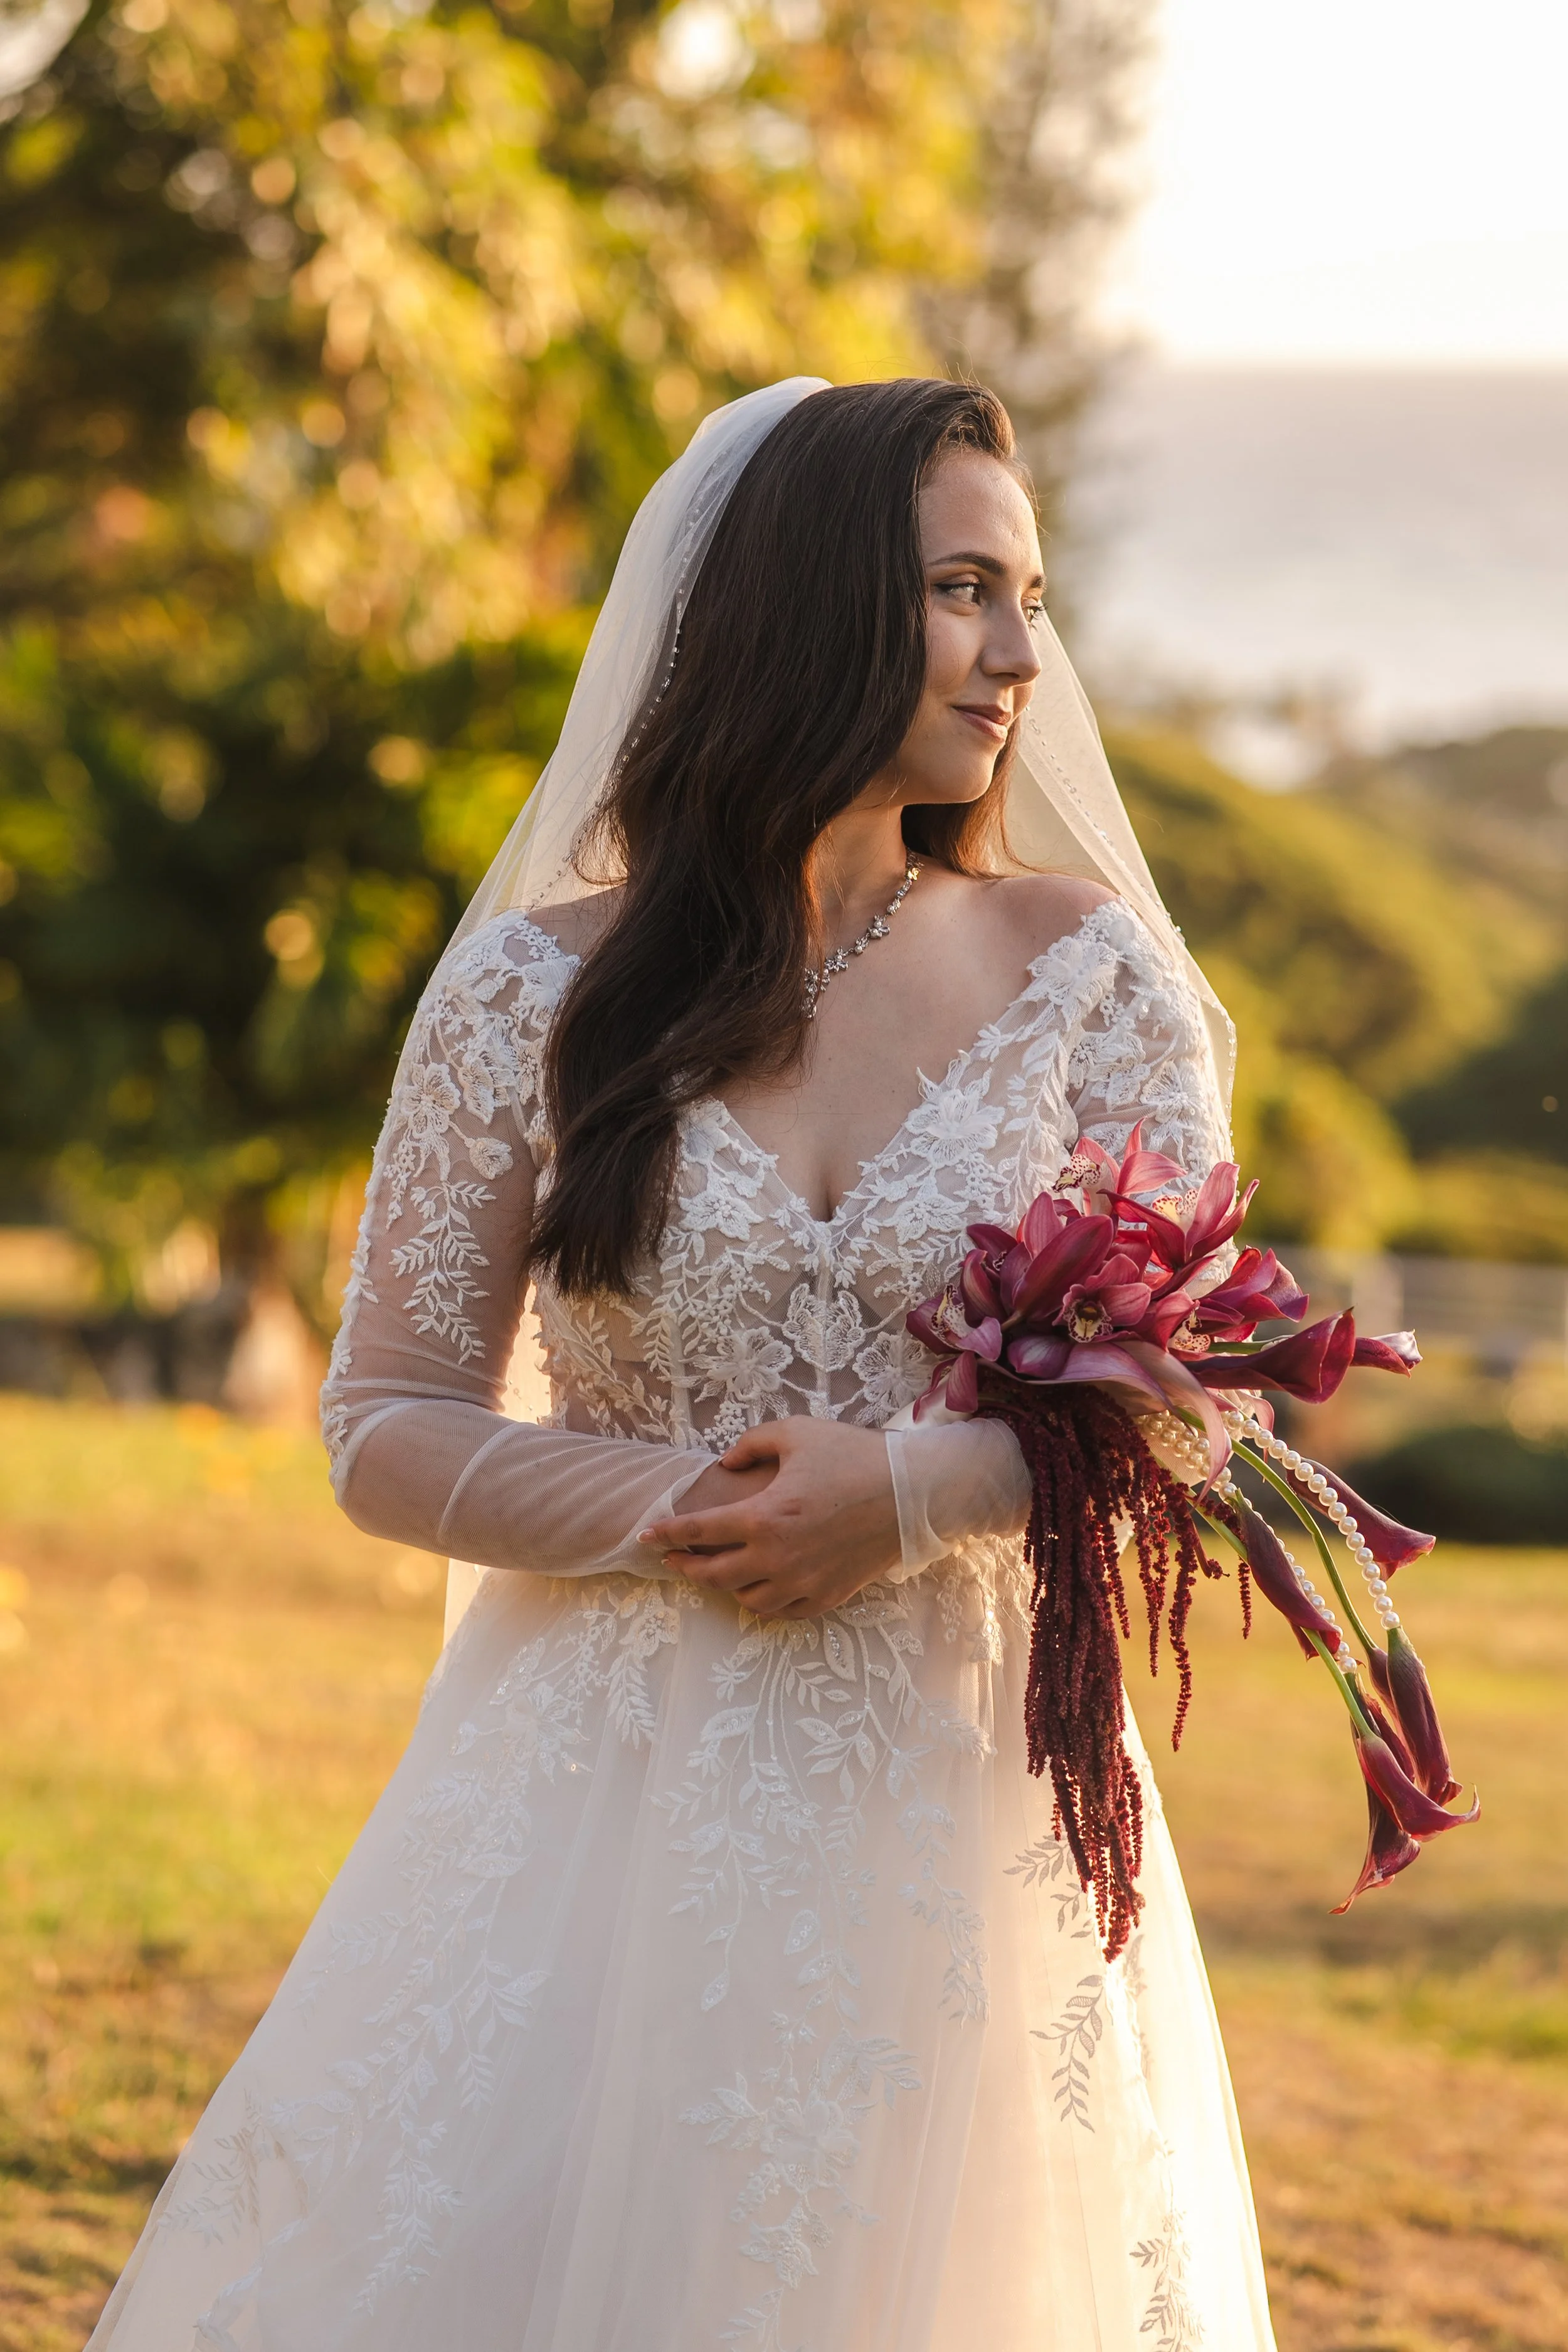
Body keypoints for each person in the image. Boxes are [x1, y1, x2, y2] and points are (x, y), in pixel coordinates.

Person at [88, 377, 1275, 2350]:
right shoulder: (539, 981)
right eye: (960, 588)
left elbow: (1206, 1387)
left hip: (958, 1804)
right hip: (587, 1807)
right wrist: (690, 1508)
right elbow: (387, 1421)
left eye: (1027, 593)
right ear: (803, 608)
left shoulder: (1086, 971)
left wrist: (905, 1496)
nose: (1018, 652)